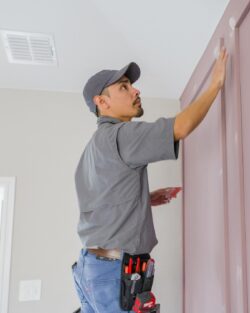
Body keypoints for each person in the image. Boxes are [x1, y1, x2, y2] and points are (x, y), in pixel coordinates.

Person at [72, 47, 228, 313]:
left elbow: (105, 200)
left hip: (90, 268)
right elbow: (180, 127)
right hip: (114, 275)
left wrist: (145, 197)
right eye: (124, 87)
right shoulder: (120, 134)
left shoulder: (92, 149)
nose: (135, 91)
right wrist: (216, 84)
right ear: (102, 102)